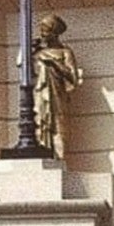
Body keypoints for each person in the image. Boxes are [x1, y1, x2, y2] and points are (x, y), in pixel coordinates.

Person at [34, 13, 82, 162]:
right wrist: (28, 48)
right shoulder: (38, 53)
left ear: (55, 33)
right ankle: (43, 154)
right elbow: (21, 65)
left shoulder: (65, 52)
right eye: (41, 30)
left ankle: (59, 160)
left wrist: (55, 65)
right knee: (39, 125)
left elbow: (73, 78)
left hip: (57, 96)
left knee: (58, 128)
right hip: (40, 97)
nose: (42, 34)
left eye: (46, 30)